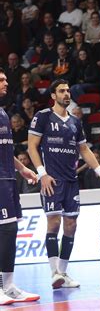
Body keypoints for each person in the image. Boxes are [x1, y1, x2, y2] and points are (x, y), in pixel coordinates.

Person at [28, 79, 100, 289]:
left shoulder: (75, 122)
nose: (66, 94)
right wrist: (42, 175)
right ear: (53, 96)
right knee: (54, 223)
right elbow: (32, 147)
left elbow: (84, 150)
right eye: (61, 91)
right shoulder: (43, 117)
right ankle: (53, 273)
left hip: (71, 182)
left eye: (68, 91)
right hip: (51, 181)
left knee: (71, 226)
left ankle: (63, 273)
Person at [0, 68, 40, 306]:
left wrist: (22, 169)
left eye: (5, 79)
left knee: (10, 231)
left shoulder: (4, 114)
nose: (6, 83)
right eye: (1, 80)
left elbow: (5, 149)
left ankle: (9, 285)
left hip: (8, 180)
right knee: (3, 232)